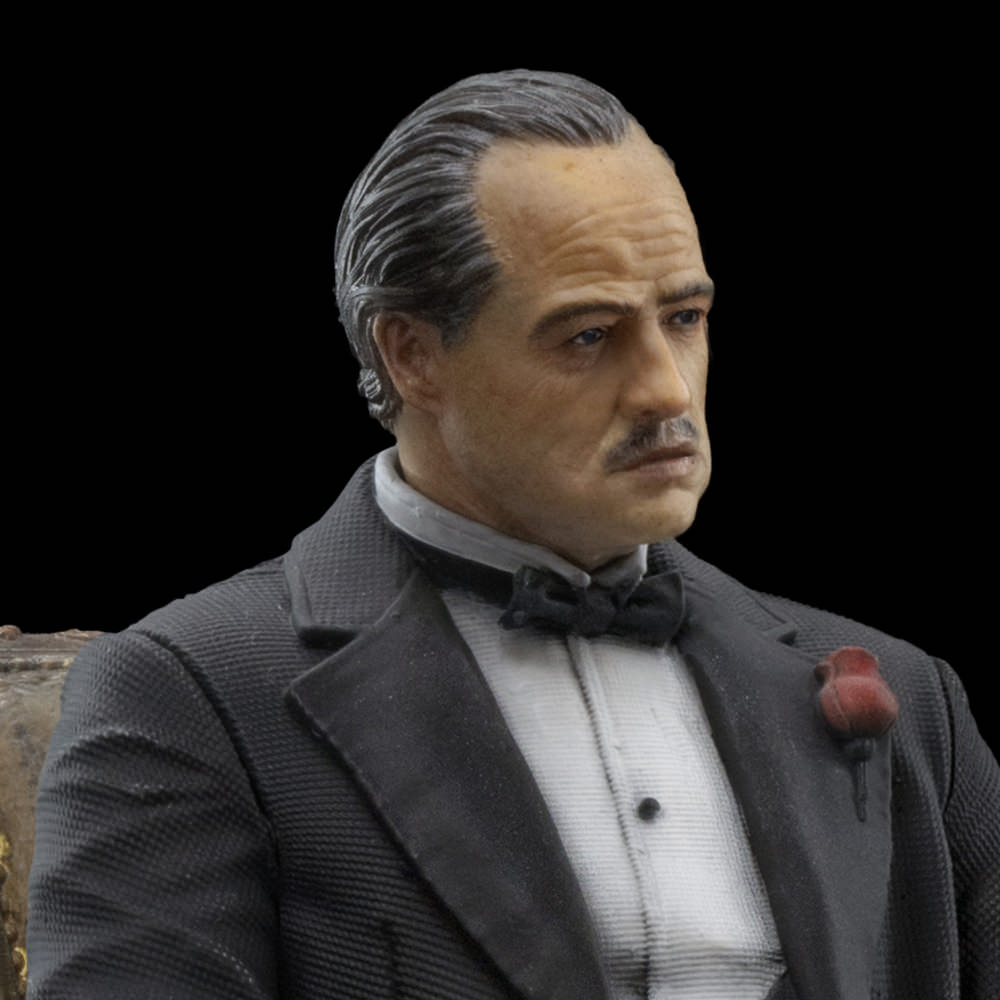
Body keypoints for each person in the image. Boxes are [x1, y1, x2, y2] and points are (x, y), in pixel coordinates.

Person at [27, 70, 998, 1000]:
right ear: (411, 354)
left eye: (685, 317)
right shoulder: (194, 694)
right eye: (588, 335)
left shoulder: (913, 703)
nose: (665, 389)